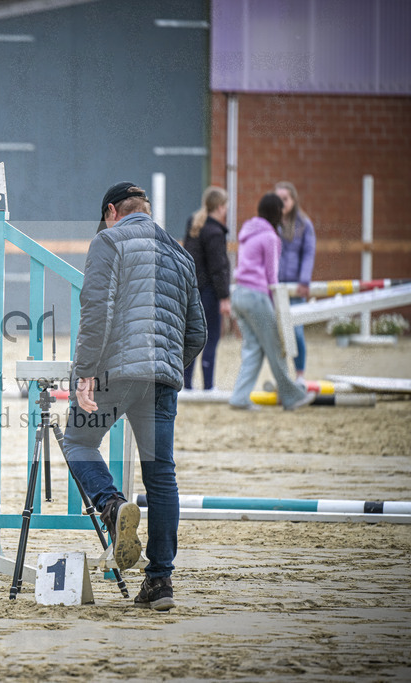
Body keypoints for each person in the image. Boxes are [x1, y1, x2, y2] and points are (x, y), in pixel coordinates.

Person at [60, 182, 206, 612]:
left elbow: (96, 310)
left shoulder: (108, 241)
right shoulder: (181, 254)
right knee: (162, 476)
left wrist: (84, 372)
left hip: (117, 373)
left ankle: (111, 505)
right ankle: (160, 582)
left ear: (111, 211)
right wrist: (168, 367)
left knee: (77, 440)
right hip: (161, 378)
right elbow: (197, 332)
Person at [228, 193, 316, 412]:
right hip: (257, 296)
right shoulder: (270, 237)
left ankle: (239, 397)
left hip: (239, 294)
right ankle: (292, 396)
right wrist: (278, 306)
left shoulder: (248, 232)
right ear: (276, 213)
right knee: (275, 346)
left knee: (254, 348)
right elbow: (271, 276)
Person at [183, 186, 231, 391]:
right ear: (220, 207)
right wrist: (225, 297)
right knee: (211, 338)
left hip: (191, 290)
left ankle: (186, 385)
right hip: (209, 292)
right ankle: (209, 386)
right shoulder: (215, 232)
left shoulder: (194, 224)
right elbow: (218, 268)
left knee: (192, 338)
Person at [275, 181, 316, 381]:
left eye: (285, 199)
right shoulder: (271, 223)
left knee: (297, 333)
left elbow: (308, 254)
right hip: (275, 288)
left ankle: (300, 374)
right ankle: (282, 376)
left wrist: (304, 281)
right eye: (278, 199)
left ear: (293, 200)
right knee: (277, 334)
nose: (282, 203)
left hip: (294, 288)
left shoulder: (304, 224)